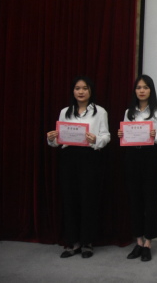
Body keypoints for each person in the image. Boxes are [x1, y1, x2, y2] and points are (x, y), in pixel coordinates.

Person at [46, 76, 110, 259]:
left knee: (88, 200)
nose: (81, 92)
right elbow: (58, 141)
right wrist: (51, 139)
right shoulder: (65, 112)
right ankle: (72, 242)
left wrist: (96, 139)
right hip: (68, 158)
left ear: (91, 91)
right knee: (70, 199)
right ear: (73, 91)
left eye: (85, 88)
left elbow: (106, 136)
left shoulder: (100, 112)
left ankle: (87, 242)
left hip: (90, 157)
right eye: (77, 88)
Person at [117, 75, 157, 262]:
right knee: (135, 199)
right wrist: (121, 134)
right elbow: (126, 135)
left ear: (151, 90)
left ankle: (148, 243)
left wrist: (155, 136)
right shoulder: (129, 112)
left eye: (145, 87)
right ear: (135, 90)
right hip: (132, 156)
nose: (142, 90)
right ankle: (138, 241)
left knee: (150, 200)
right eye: (138, 87)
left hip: (150, 156)